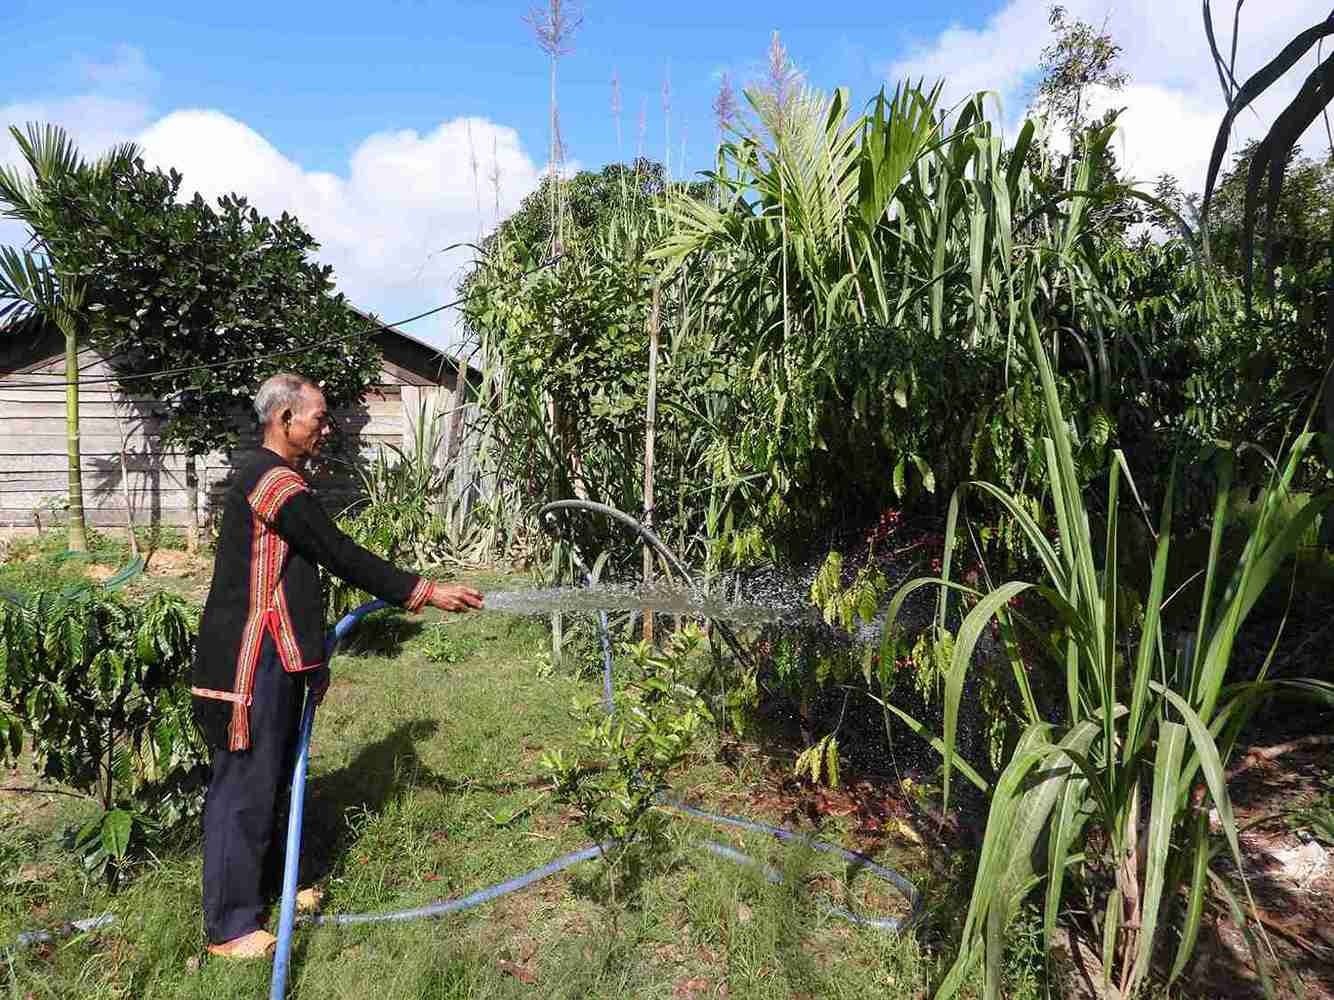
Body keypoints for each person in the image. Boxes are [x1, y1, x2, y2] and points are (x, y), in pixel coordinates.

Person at [190, 372, 483, 959]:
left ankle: (270, 884)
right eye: (318, 418)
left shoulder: (279, 479)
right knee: (243, 786)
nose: (326, 428)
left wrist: (313, 658)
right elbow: (338, 552)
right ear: (283, 420)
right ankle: (228, 927)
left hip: (281, 653)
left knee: (272, 777)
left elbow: (301, 574)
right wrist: (421, 590)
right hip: (251, 659)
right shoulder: (271, 483)